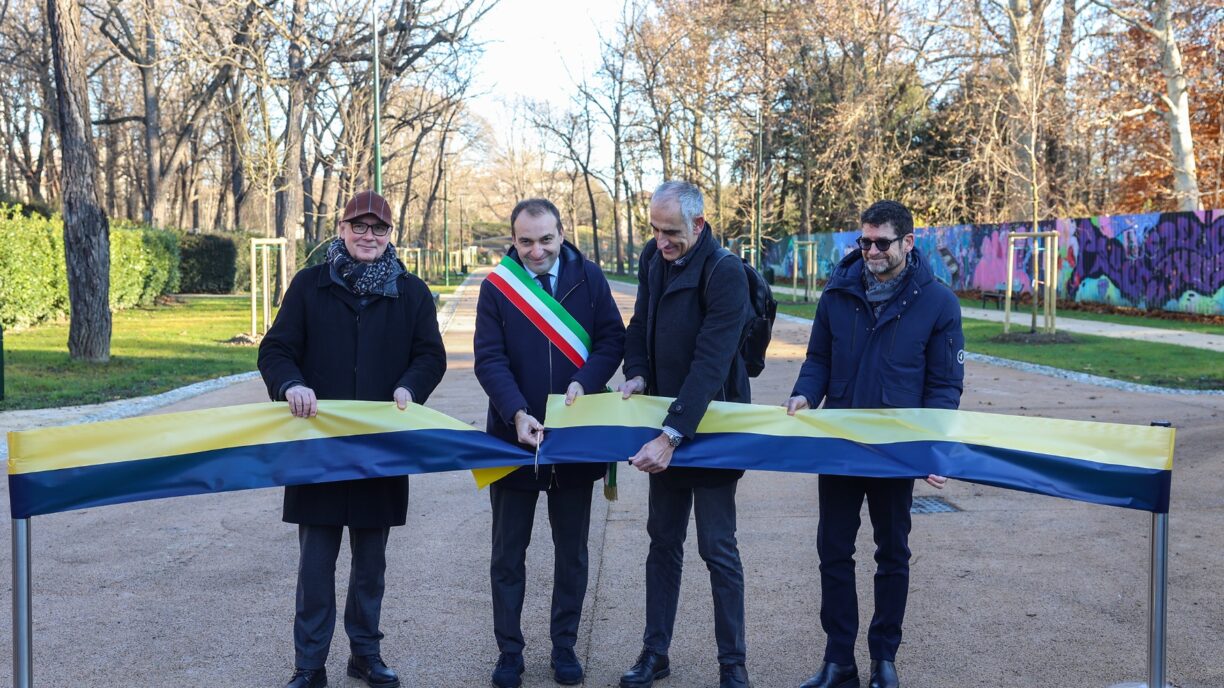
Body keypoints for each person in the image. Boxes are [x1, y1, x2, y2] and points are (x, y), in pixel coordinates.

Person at [258, 190, 447, 688]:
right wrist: (290, 384)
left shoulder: (412, 292)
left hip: (380, 448)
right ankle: (309, 665)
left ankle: (365, 654)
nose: (368, 236)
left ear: (390, 235)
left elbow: (431, 356)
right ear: (341, 229)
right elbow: (276, 350)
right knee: (315, 565)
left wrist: (411, 386)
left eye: (378, 229)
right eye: (359, 227)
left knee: (370, 565)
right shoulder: (308, 285)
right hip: (316, 446)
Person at [786, 200, 964, 688]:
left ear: (909, 242)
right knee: (833, 551)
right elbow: (818, 358)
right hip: (841, 444)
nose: (871, 251)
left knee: (893, 554)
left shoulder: (938, 302)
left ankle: (884, 658)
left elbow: (945, 387)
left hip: (895, 450)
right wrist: (805, 393)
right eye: (864, 242)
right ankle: (838, 660)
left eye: (881, 242)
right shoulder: (837, 292)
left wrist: (932, 447)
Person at [473, 198, 626, 688]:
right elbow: (488, 359)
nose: (536, 251)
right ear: (512, 240)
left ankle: (565, 648)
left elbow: (611, 341)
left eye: (546, 239)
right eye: (525, 241)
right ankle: (509, 654)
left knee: (572, 553)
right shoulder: (498, 287)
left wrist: (587, 380)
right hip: (513, 438)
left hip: (575, 438)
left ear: (562, 233)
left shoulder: (591, 278)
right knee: (506, 555)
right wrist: (516, 412)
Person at [617, 181, 751, 688]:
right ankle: (656, 653)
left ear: (698, 224)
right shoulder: (653, 258)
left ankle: (732, 665)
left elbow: (711, 364)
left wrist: (671, 436)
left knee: (717, 547)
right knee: (662, 543)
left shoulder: (726, 272)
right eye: (654, 229)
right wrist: (637, 371)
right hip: (664, 422)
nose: (660, 240)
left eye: (670, 231)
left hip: (710, 426)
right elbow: (639, 325)